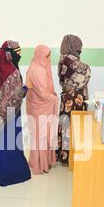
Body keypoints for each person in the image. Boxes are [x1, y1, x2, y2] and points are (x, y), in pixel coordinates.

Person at [0, 40, 31, 186]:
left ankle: (0, 175)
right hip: (11, 115)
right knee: (11, 145)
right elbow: (17, 96)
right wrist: (25, 89)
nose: (20, 55)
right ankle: (13, 175)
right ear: (10, 54)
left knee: (1, 144)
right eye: (18, 52)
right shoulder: (12, 72)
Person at [56, 35, 91, 164]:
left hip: (69, 98)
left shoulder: (64, 59)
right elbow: (86, 71)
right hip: (74, 98)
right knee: (72, 126)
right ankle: (70, 156)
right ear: (72, 46)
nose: (80, 48)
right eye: (78, 46)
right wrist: (87, 71)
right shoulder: (69, 60)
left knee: (68, 125)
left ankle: (67, 155)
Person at [26, 45, 59, 174]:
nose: (49, 58)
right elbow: (42, 94)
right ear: (40, 55)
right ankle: (38, 165)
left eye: (49, 55)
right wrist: (54, 98)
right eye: (47, 56)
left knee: (43, 135)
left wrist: (52, 95)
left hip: (42, 106)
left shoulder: (41, 67)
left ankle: (46, 162)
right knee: (40, 135)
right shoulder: (36, 70)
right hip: (38, 107)